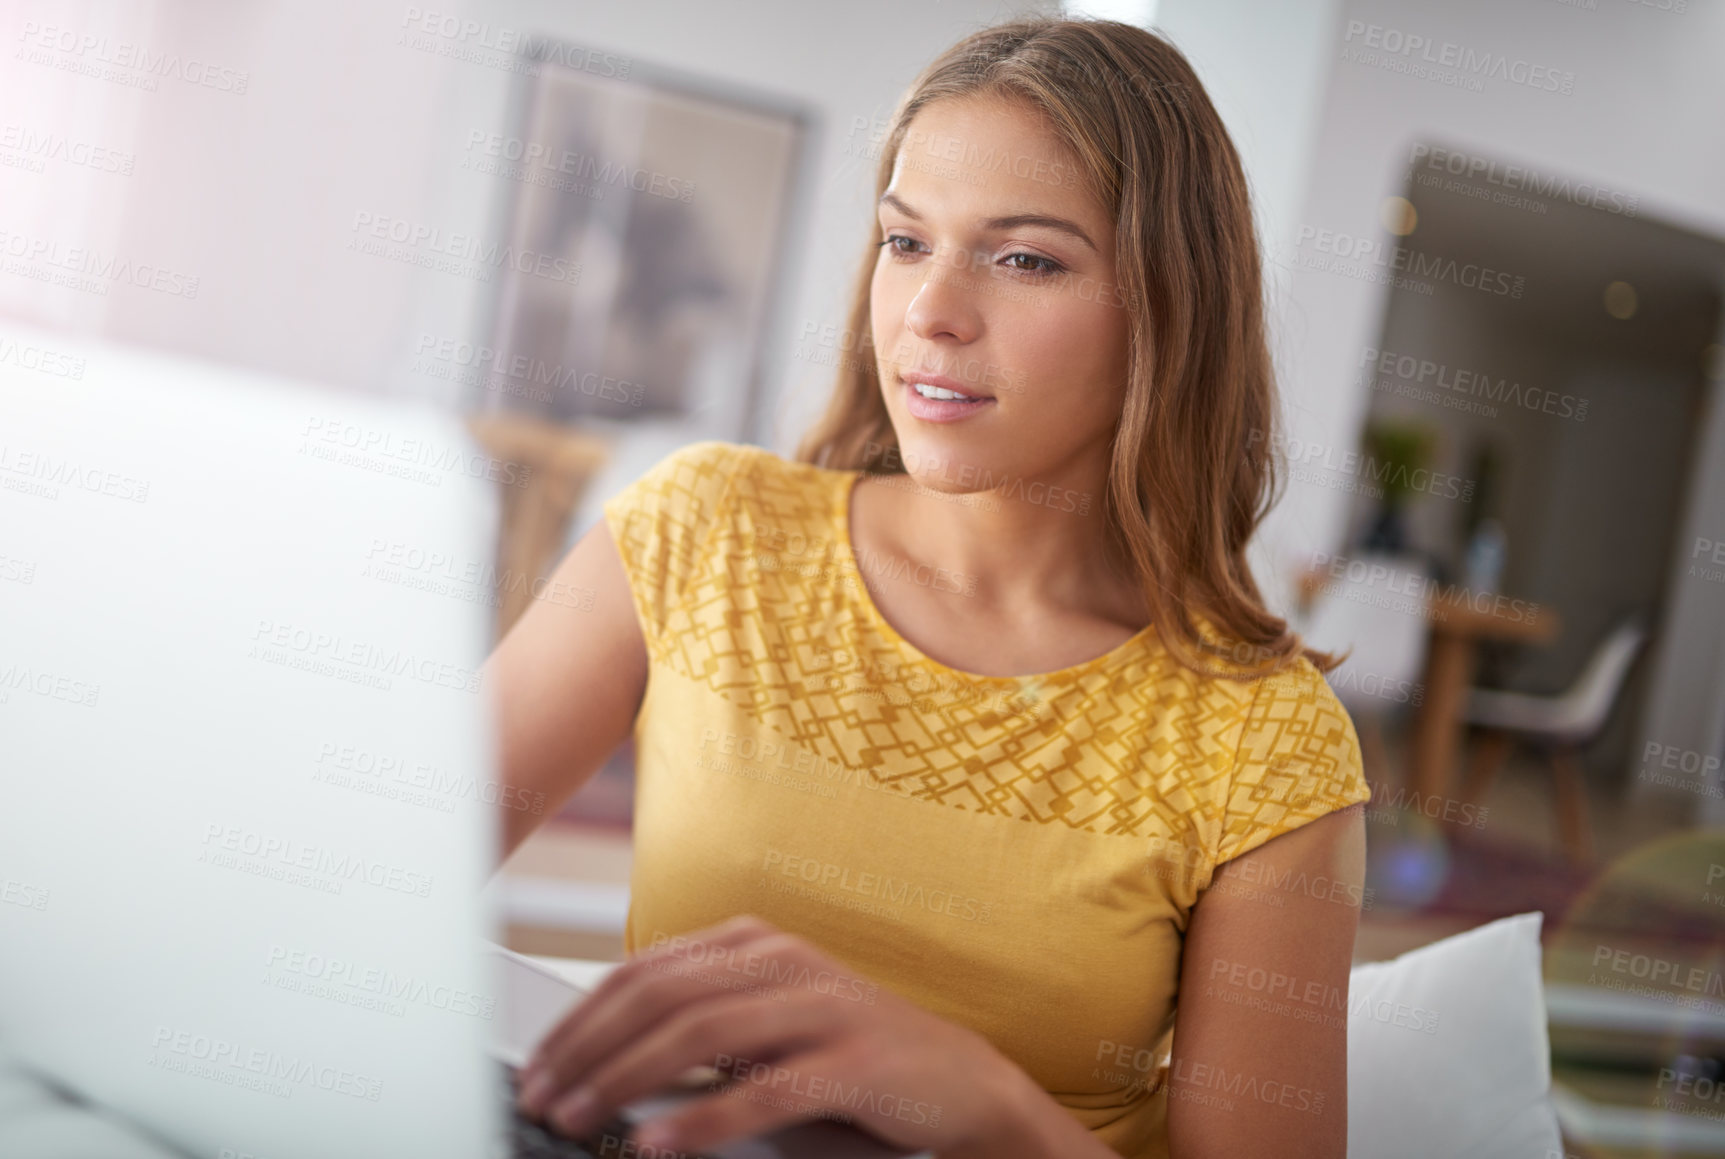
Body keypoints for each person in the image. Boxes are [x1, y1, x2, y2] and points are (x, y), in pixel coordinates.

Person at [484, 16, 1367, 1159]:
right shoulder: (703, 533)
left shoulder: (1267, 744)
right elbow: (373, 864)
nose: (932, 314)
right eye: (907, 243)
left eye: (1026, 259)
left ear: (1167, 308)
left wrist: (986, 1104)